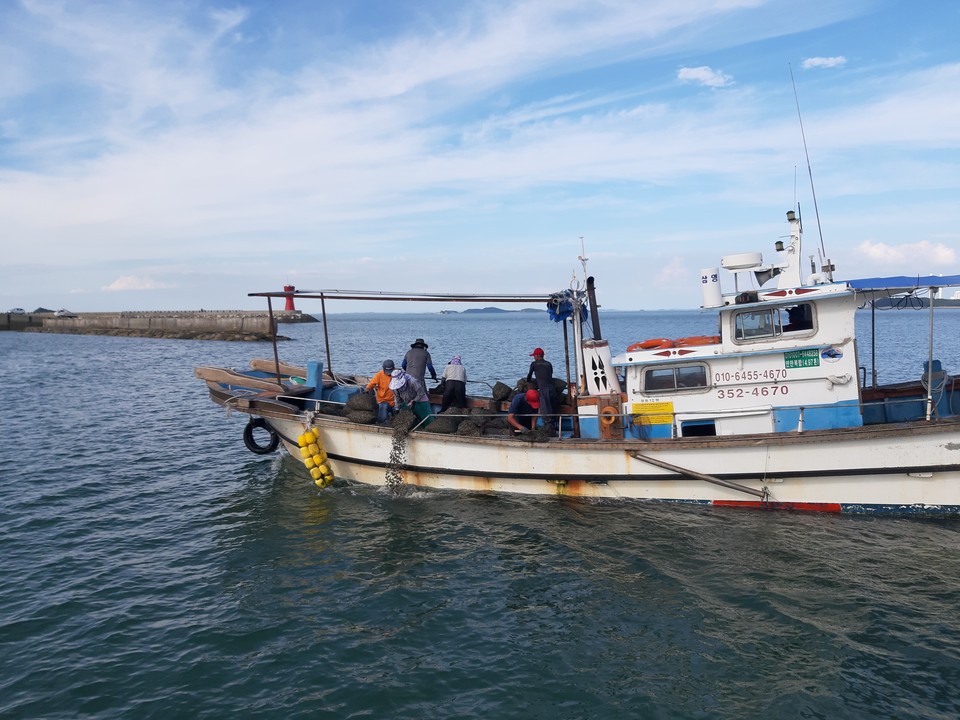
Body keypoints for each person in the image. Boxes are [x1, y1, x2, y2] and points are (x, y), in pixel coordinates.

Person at [526, 347, 557, 433]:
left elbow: (529, 376)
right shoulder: (549, 364)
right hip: (552, 389)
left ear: (537, 356)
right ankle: (554, 427)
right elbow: (549, 375)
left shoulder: (534, 364)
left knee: (545, 409)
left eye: (534, 356)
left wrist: (528, 382)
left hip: (544, 390)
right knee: (552, 409)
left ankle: (547, 429)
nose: (533, 357)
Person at [365, 359, 397, 424]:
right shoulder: (379, 375)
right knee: (382, 417)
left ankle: (392, 417)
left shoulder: (398, 374)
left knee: (398, 417)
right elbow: (371, 384)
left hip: (395, 401)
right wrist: (367, 389)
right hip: (383, 400)